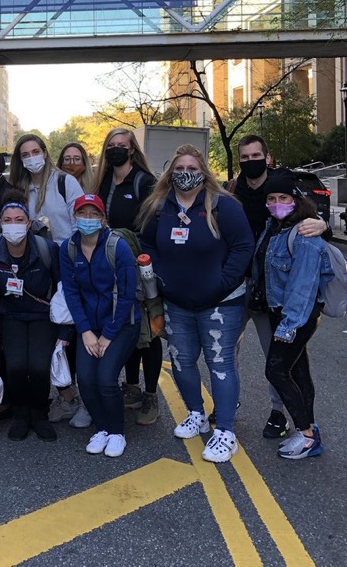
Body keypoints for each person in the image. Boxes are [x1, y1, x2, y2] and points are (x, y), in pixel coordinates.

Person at [139, 145, 254, 463]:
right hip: (177, 303)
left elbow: (243, 247)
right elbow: (148, 243)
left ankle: (226, 432)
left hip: (221, 303)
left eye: (191, 167)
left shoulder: (223, 206)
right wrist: (161, 279)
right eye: (179, 168)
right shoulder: (160, 207)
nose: (185, 173)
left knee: (220, 365)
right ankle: (196, 413)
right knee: (182, 362)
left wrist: (221, 284)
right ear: (169, 173)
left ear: (203, 171)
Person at [228, 134, 327, 439]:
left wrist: (323, 224)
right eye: (244, 157)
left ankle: (278, 413)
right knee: (225, 349)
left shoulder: (281, 185)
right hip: (239, 282)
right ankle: (226, 402)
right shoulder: (232, 189)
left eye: (255, 155)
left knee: (278, 357)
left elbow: (308, 218)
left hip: (273, 291)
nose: (250, 161)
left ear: (267, 158)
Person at [59, 194, 142, 458]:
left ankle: (117, 432)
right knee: (85, 379)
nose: (87, 219)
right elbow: (71, 292)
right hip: (89, 327)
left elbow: (128, 294)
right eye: (82, 214)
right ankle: (103, 428)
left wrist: (108, 335)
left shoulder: (117, 247)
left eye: (93, 214)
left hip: (122, 325)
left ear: (103, 219)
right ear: (75, 218)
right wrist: (85, 330)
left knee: (106, 379)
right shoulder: (68, 248)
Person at [258, 170, 333, 460]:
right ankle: (309, 429)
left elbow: (302, 287)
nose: (277, 203)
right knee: (298, 371)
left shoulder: (303, 235)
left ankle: (306, 434)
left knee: (275, 369)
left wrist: (288, 326)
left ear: (295, 199)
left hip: (296, 317)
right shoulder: (274, 227)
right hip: (281, 312)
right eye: (272, 198)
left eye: (283, 198)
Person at [0, 192, 71, 441]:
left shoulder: (47, 249)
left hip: (41, 315)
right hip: (10, 315)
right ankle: (21, 414)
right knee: (16, 367)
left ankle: (39, 413)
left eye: (19, 220)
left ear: (28, 224)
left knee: (38, 367)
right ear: (0, 224)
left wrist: (65, 332)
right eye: (7, 220)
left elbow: (63, 290)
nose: (13, 225)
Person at [94, 128, 160, 426]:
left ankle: (150, 394)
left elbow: (153, 226)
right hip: (112, 263)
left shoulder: (144, 182)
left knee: (150, 330)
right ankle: (131, 386)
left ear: (133, 149)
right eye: (112, 145)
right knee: (129, 326)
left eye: (122, 145)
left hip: (140, 262)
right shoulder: (104, 182)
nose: (116, 149)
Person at [9, 134, 83, 244]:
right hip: (36, 254)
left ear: (45, 153)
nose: (31, 158)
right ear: (21, 160)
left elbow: (79, 223)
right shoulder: (19, 189)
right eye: (25, 155)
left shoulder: (66, 182)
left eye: (36, 152)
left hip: (65, 253)